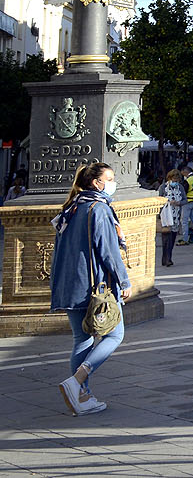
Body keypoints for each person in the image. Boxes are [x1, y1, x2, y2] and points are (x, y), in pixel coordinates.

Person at [48, 161, 132, 416]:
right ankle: (78, 380)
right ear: (97, 182)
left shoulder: (70, 208)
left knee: (81, 340)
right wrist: (124, 281)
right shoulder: (99, 209)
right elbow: (108, 251)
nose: (113, 182)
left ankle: (81, 397)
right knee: (114, 335)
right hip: (94, 287)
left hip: (68, 285)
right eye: (110, 178)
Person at [157, 170, 185, 266]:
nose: (175, 181)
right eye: (174, 179)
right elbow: (159, 199)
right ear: (169, 178)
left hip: (176, 216)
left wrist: (179, 203)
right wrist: (167, 202)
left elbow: (185, 200)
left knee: (172, 239)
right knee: (166, 238)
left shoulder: (180, 188)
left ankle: (168, 258)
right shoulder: (163, 187)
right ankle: (166, 258)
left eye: (177, 180)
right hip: (165, 215)